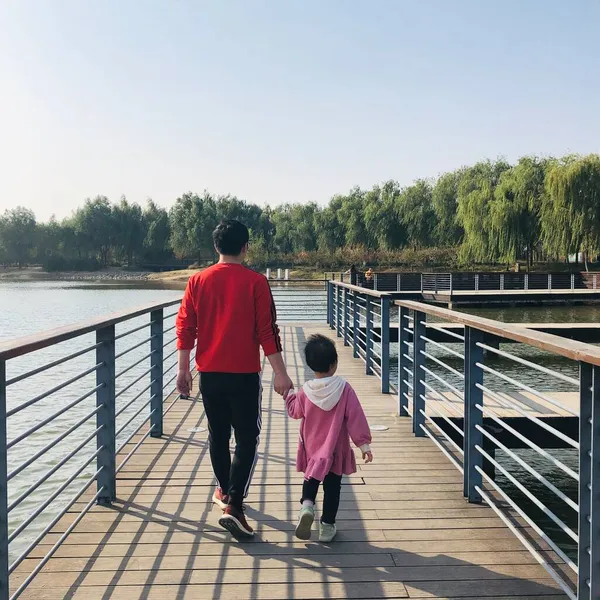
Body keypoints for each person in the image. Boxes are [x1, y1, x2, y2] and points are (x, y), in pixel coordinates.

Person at [176, 219, 294, 539]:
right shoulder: (255, 282)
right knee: (247, 438)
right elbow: (266, 332)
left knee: (218, 435)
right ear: (246, 247)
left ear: (216, 247)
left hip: (209, 374)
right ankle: (235, 506)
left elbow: (186, 327)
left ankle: (225, 493)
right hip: (243, 375)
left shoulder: (197, 281)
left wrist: (183, 368)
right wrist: (281, 374)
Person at [285, 334, 373, 543]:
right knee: (333, 488)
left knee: (311, 479)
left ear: (310, 365)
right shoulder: (344, 389)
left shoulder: (305, 391)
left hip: (313, 449)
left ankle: (307, 506)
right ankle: (327, 526)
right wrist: (363, 444)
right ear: (334, 364)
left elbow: (295, 412)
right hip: (335, 449)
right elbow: (355, 417)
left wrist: (289, 394)